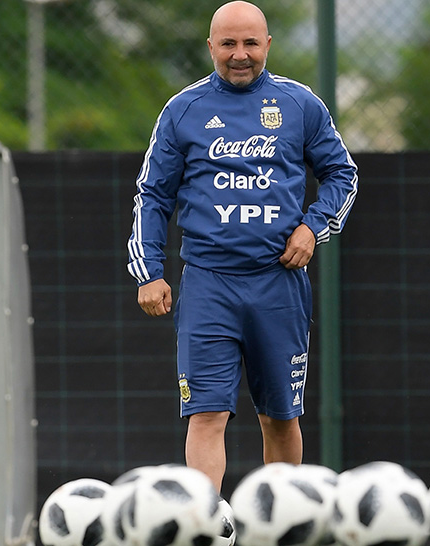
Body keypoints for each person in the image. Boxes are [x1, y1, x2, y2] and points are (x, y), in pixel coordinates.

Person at [126, 0, 358, 495]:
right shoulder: (183, 109)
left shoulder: (299, 105)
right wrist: (149, 270)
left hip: (278, 283)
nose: (240, 55)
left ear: (267, 45)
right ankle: (204, 521)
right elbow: (153, 194)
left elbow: (343, 174)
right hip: (209, 283)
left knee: (279, 416)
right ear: (211, 46)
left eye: (250, 43)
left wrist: (312, 227)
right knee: (207, 413)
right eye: (228, 44)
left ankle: (282, 519)